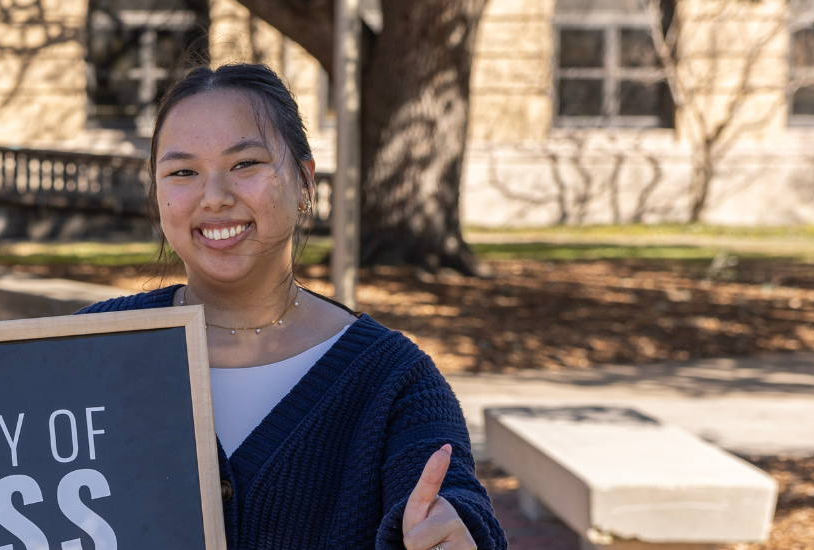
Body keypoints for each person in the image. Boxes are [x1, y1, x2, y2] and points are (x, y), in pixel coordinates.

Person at [75, 63, 505, 550]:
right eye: (183, 172)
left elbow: (449, 498)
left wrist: (455, 529)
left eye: (245, 164)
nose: (214, 197)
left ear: (304, 182)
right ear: (156, 196)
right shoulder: (85, 349)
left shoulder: (395, 383)